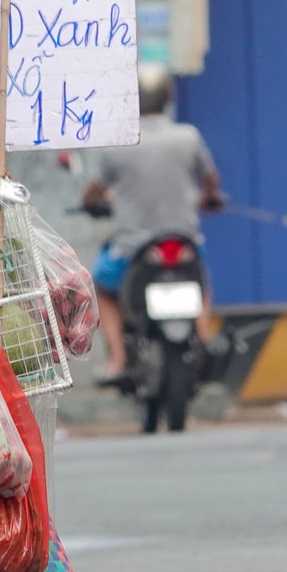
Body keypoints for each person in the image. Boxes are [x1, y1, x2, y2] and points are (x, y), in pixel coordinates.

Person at [81, 64, 224, 380]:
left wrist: (90, 203)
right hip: (183, 242)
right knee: (201, 279)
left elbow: (93, 190)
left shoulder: (119, 143)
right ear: (166, 97)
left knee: (103, 287)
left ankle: (117, 360)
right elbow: (210, 179)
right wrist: (211, 196)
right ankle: (204, 336)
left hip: (134, 250)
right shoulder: (188, 137)